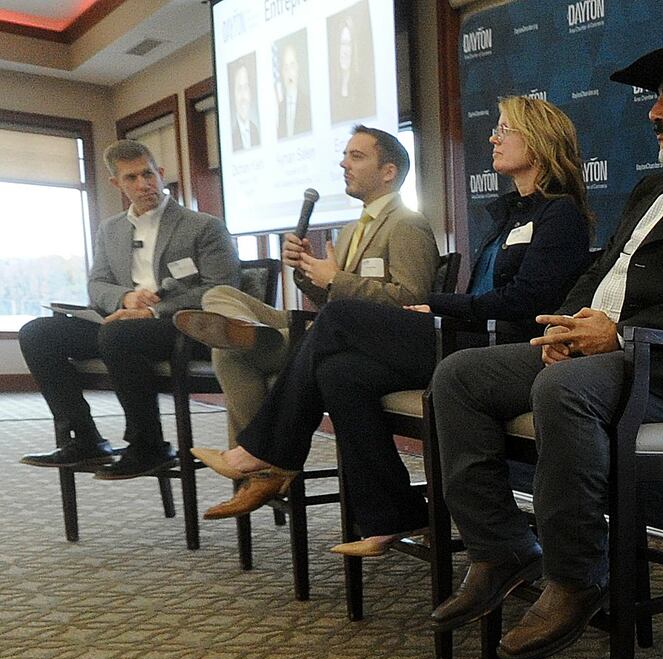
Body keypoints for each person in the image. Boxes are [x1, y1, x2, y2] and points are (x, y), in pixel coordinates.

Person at [426, 31, 663, 659]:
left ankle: (575, 576)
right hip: (605, 355)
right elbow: (599, 280)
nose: (653, 110)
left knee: (560, 390)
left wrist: (618, 335)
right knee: (458, 378)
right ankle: (502, 547)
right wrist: (566, 327)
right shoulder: (650, 190)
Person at [196, 98, 593, 559]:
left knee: (339, 318)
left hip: (496, 351)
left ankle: (268, 450)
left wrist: (437, 303)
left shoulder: (558, 215)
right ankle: (393, 513)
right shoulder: (511, 215)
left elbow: (529, 303)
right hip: (463, 336)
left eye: (505, 130)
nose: (492, 138)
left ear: (539, 142)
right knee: (340, 372)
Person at [179, 126, 437, 447]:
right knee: (218, 294)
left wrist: (333, 277)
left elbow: (413, 301)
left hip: (356, 343)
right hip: (322, 329)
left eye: (356, 156)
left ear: (388, 172)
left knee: (228, 354)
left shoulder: (407, 224)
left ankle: (258, 464)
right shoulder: (351, 229)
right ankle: (254, 333)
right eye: (344, 157)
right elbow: (331, 299)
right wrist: (307, 269)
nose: (344, 165)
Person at [19, 140, 239, 479]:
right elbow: (97, 285)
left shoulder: (203, 226)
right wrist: (125, 298)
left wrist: (153, 310)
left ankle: (149, 446)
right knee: (38, 333)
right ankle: (86, 439)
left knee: (119, 335)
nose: (143, 184)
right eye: (131, 178)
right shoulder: (110, 229)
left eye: (148, 174)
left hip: (179, 325)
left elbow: (222, 288)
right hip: (121, 324)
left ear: (160, 173)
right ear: (117, 184)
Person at [275, 35, 311, 140]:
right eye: (285, 67)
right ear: (282, 72)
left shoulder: (307, 102)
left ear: (298, 68)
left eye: (292, 65)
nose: (289, 72)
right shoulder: (280, 108)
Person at [230, 57, 260, 152]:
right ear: (233, 94)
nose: (243, 97)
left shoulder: (256, 130)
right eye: (239, 88)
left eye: (246, 87)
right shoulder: (230, 136)